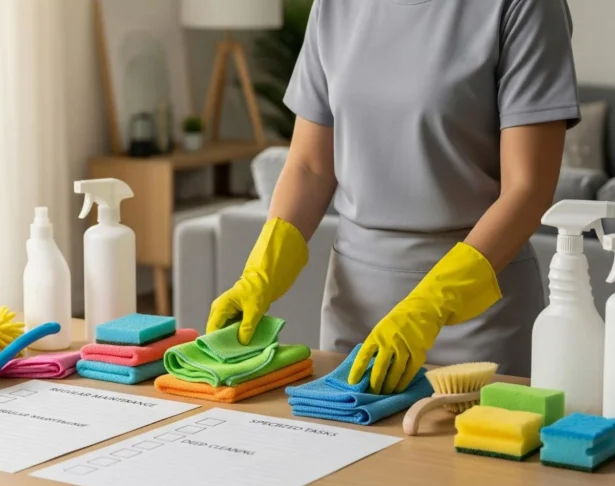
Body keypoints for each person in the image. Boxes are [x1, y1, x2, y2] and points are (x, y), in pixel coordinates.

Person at [207, 0, 580, 395]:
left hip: (477, 322)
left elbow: (528, 191)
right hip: (353, 316)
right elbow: (309, 166)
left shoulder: (524, 6)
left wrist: (430, 306)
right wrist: (260, 275)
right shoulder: (335, 6)